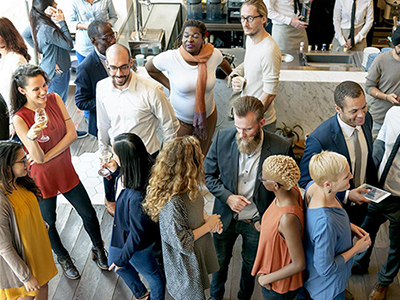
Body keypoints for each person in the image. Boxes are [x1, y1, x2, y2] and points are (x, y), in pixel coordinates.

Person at [11, 64, 108, 280]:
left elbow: (72, 134)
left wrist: (46, 156)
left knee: (89, 213)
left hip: (65, 170)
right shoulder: (20, 118)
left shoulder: (55, 99)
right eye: (36, 89)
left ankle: (98, 248)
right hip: (41, 179)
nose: (43, 91)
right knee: (50, 222)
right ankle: (63, 257)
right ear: (22, 90)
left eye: (44, 85)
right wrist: (33, 137)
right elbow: (36, 157)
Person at [204, 96, 292, 300]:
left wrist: (269, 220)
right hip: (224, 217)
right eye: (237, 128)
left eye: (248, 129)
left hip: (258, 221)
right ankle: (216, 297)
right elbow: (209, 176)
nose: (241, 135)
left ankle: (244, 297)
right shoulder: (221, 139)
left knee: (250, 264)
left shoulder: (281, 147)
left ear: (262, 123)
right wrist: (227, 198)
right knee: (219, 262)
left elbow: (286, 190)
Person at [97, 43, 179, 216]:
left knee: (147, 208)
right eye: (113, 68)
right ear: (106, 65)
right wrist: (103, 152)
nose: (119, 74)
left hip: (147, 159)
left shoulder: (152, 90)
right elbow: (103, 125)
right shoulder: (101, 88)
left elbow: (170, 126)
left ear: (131, 63)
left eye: (123, 67)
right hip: (117, 157)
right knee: (123, 201)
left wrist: (165, 160)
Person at [143, 136, 223, 300]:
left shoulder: (187, 185)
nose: (202, 157)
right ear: (189, 164)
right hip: (185, 263)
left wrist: (208, 219)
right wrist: (208, 226)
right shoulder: (173, 202)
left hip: (197, 249)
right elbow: (182, 242)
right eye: (199, 155)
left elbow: (194, 210)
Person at [145, 19, 232, 154]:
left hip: (207, 118)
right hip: (180, 121)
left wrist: (233, 76)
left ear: (204, 38)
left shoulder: (213, 54)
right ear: (181, 38)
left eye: (195, 36)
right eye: (186, 36)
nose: (190, 39)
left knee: (201, 156)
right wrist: (170, 85)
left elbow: (224, 63)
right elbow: (150, 68)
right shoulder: (171, 58)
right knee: (176, 159)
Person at [299, 81, 377, 226]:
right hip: (337, 209)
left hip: (366, 204)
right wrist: (347, 195)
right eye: (354, 111)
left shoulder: (367, 120)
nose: (361, 115)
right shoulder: (319, 139)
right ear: (338, 108)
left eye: (364, 107)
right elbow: (305, 181)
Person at [103, 133, 165, 300]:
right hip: (121, 231)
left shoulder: (137, 196)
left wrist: (123, 258)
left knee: (154, 276)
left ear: (126, 159)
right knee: (113, 264)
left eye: (115, 154)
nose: (112, 156)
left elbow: (136, 234)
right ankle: (141, 293)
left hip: (137, 245)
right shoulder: (137, 168)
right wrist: (117, 172)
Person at [303, 151, 371, 300]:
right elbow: (325, 268)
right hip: (328, 288)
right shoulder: (326, 223)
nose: (351, 176)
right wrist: (357, 249)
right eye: (346, 176)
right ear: (328, 184)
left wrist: (349, 225)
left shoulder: (313, 186)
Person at [352, 106, 400, 300]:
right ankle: (361, 262)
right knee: (367, 227)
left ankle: (384, 282)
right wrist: (370, 171)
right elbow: (380, 141)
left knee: (397, 244)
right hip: (378, 189)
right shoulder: (393, 113)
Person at [0, 140, 57, 300]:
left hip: (37, 248)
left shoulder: (20, 182)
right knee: (29, 295)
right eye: (22, 161)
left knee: (43, 285)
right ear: (7, 167)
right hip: (23, 260)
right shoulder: (1, 199)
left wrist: (41, 226)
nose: (27, 163)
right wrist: (25, 276)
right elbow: (4, 247)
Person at [23, 0, 87, 138]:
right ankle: (61, 135)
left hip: (51, 68)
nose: (57, 4)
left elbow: (26, 34)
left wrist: (41, 49)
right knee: (57, 106)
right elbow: (69, 45)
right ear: (47, 9)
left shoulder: (38, 22)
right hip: (56, 71)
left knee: (56, 105)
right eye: (53, 4)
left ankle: (63, 132)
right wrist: (62, 21)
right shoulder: (47, 29)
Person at [252, 155, 305, 300]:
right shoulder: (292, 190)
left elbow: (299, 264)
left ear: (275, 185)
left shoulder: (288, 218)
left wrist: (265, 279)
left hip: (276, 284)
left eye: (263, 178)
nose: (261, 178)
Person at [229, 0, 281, 132]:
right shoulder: (250, 39)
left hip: (259, 123)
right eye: (243, 18)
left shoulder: (269, 50)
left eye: (250, 18)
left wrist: (252, 121)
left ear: (263, 18)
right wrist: (236, 74)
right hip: (247, 118)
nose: (245, 24)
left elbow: (269, 94)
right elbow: (249, 63)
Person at [74, 20, 116, 137]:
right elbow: (81, 102)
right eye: (106, 38)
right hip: (104, 124)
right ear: (93, 41)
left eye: (113, 35)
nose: (113, 40)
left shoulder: (118, 53)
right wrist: (108, 100)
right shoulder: (86, 68)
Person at [365, 27, 400, 139]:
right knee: (375, 153)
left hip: (398, 119)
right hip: (379, 118)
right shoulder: (381, 60)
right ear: (394, 44)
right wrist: (386, 97)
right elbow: (369, 87)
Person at [0, 17, 30, 111]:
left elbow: (24, 92)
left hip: (16, 112)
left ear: (6, 35)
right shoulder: (3, 57)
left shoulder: (16, 59)